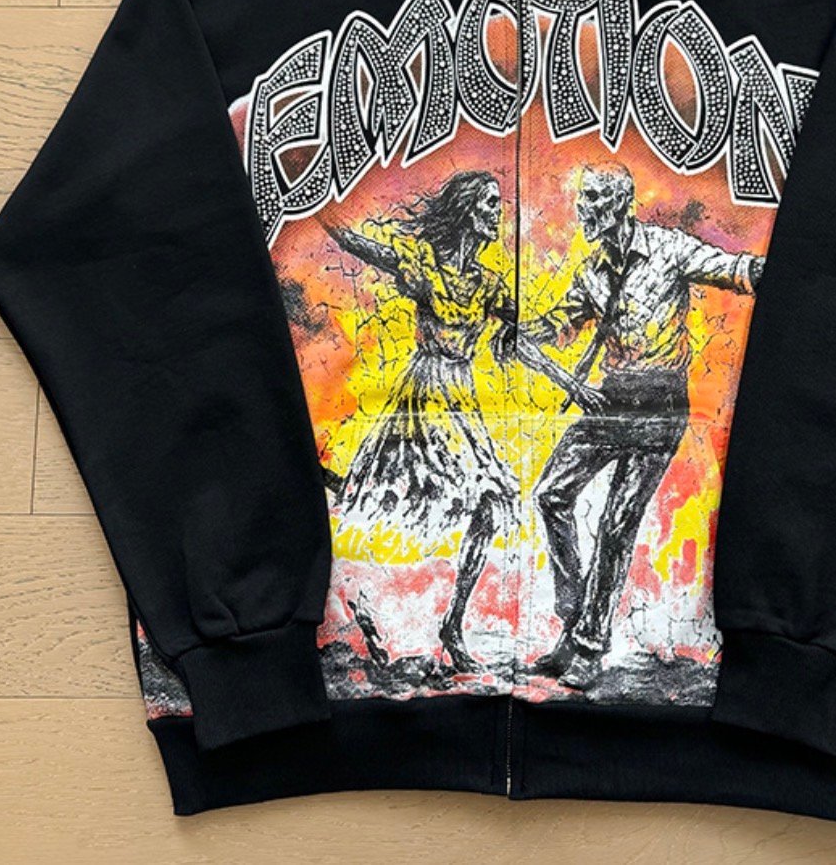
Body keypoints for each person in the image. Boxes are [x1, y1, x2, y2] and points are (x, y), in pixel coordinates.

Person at [519, 163, 765, 691]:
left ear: (621, 204)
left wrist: (782, 270)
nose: (585, 210)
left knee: (616, 525)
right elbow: (558, 324)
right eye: (583, 199)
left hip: (660, 405)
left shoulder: (668, 250)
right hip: (612, 399)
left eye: (596, 200)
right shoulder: (591, 272)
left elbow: (728, 268)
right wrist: (523, 331)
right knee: (551, 495)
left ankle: (588, 646)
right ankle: (574, 617)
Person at [323, 171, 518, 675]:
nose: (497, 212)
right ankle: (370, 606)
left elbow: (524, 325)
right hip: (425, 393)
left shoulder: (489, 282)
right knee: (411, 501)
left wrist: (520, 343)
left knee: (487, 504)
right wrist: (320, 208)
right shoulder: (425, 264)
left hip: (463, 397)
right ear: (466, 210)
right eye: (489, 203)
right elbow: (364, 246)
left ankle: (451, 625)